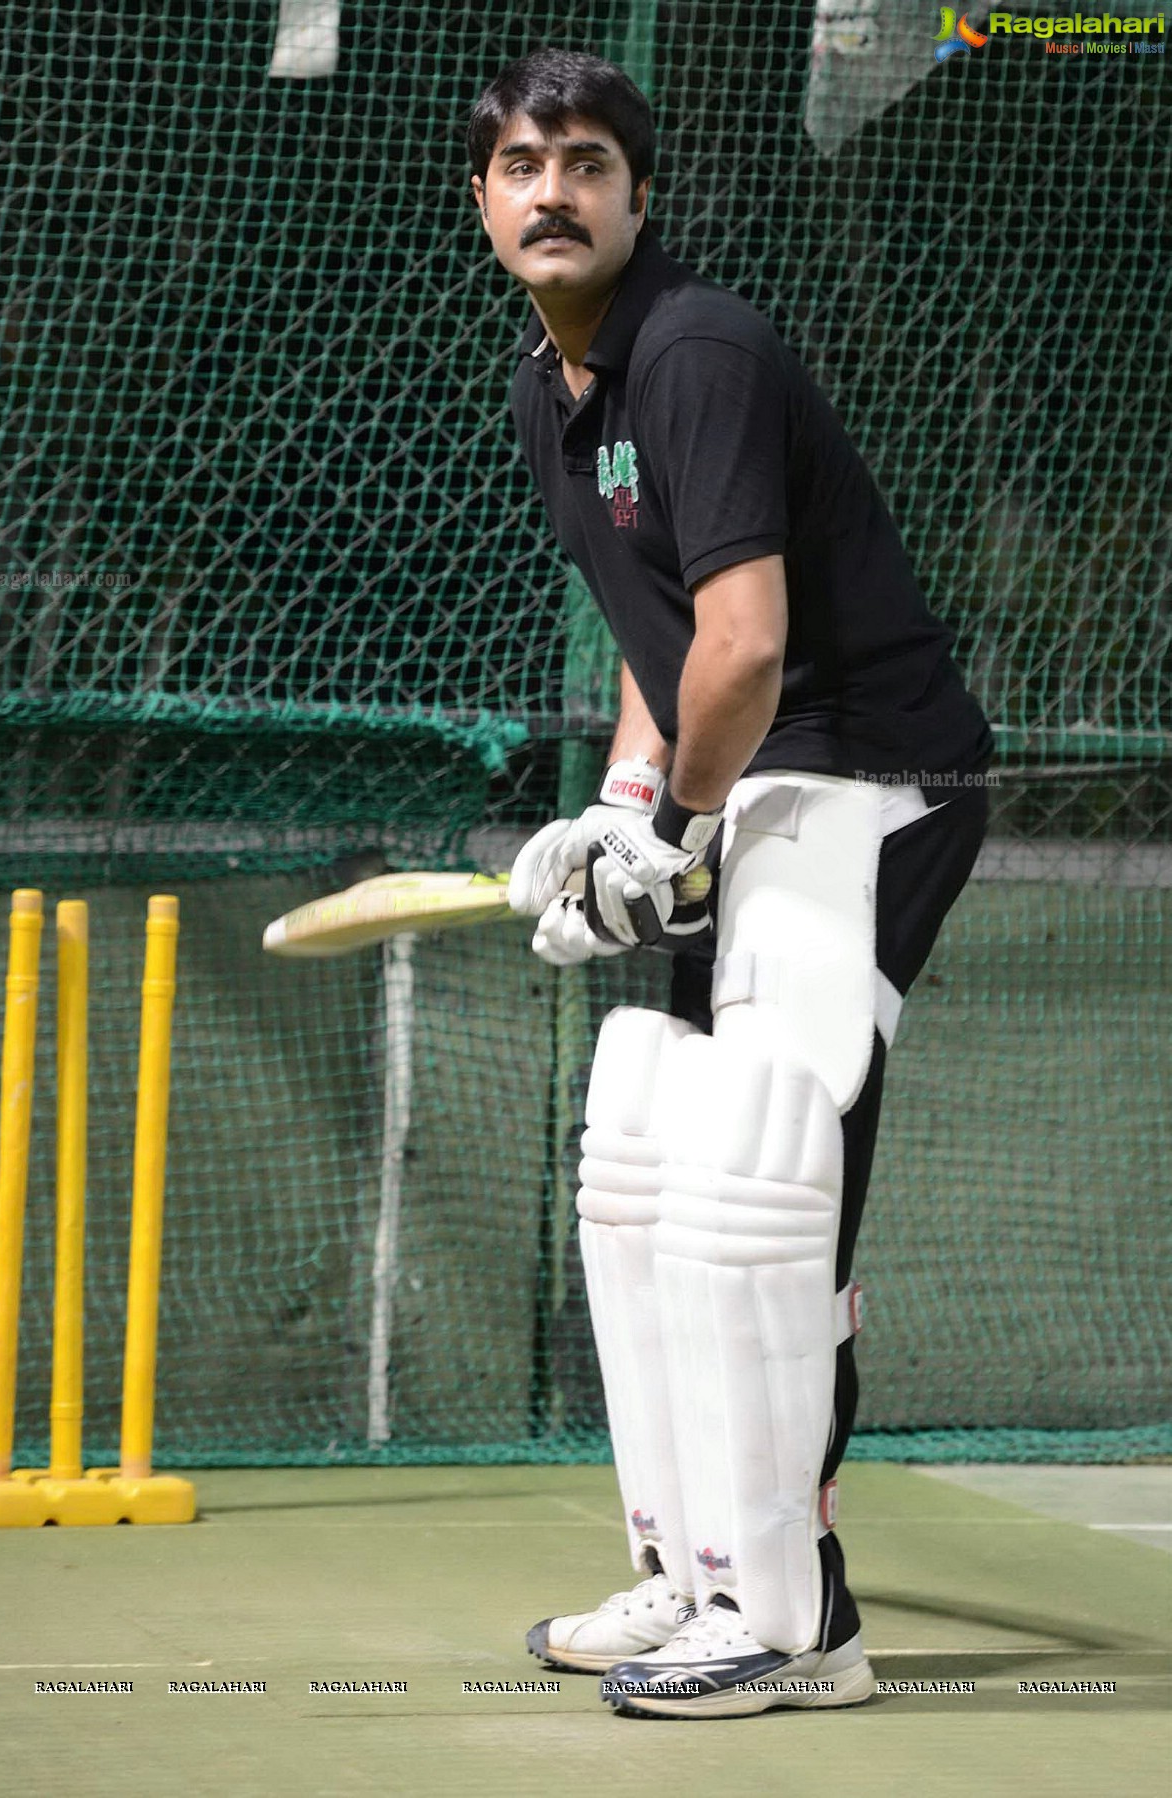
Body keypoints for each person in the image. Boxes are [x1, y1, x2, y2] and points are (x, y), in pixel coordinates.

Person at [467, 47, 993, 1721]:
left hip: (862, 782)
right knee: (650, 1158)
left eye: (589, 164)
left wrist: (669, 834)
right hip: (756, 779)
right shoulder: (554, 388)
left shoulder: (690, 351)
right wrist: (631, 800)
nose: (554, 191)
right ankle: (693, 1566)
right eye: (524, 165)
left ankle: (795, 1615)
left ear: (639, 194)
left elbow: (751, 645)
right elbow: (665, 632)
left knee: (768, 1185)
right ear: (481, 198)